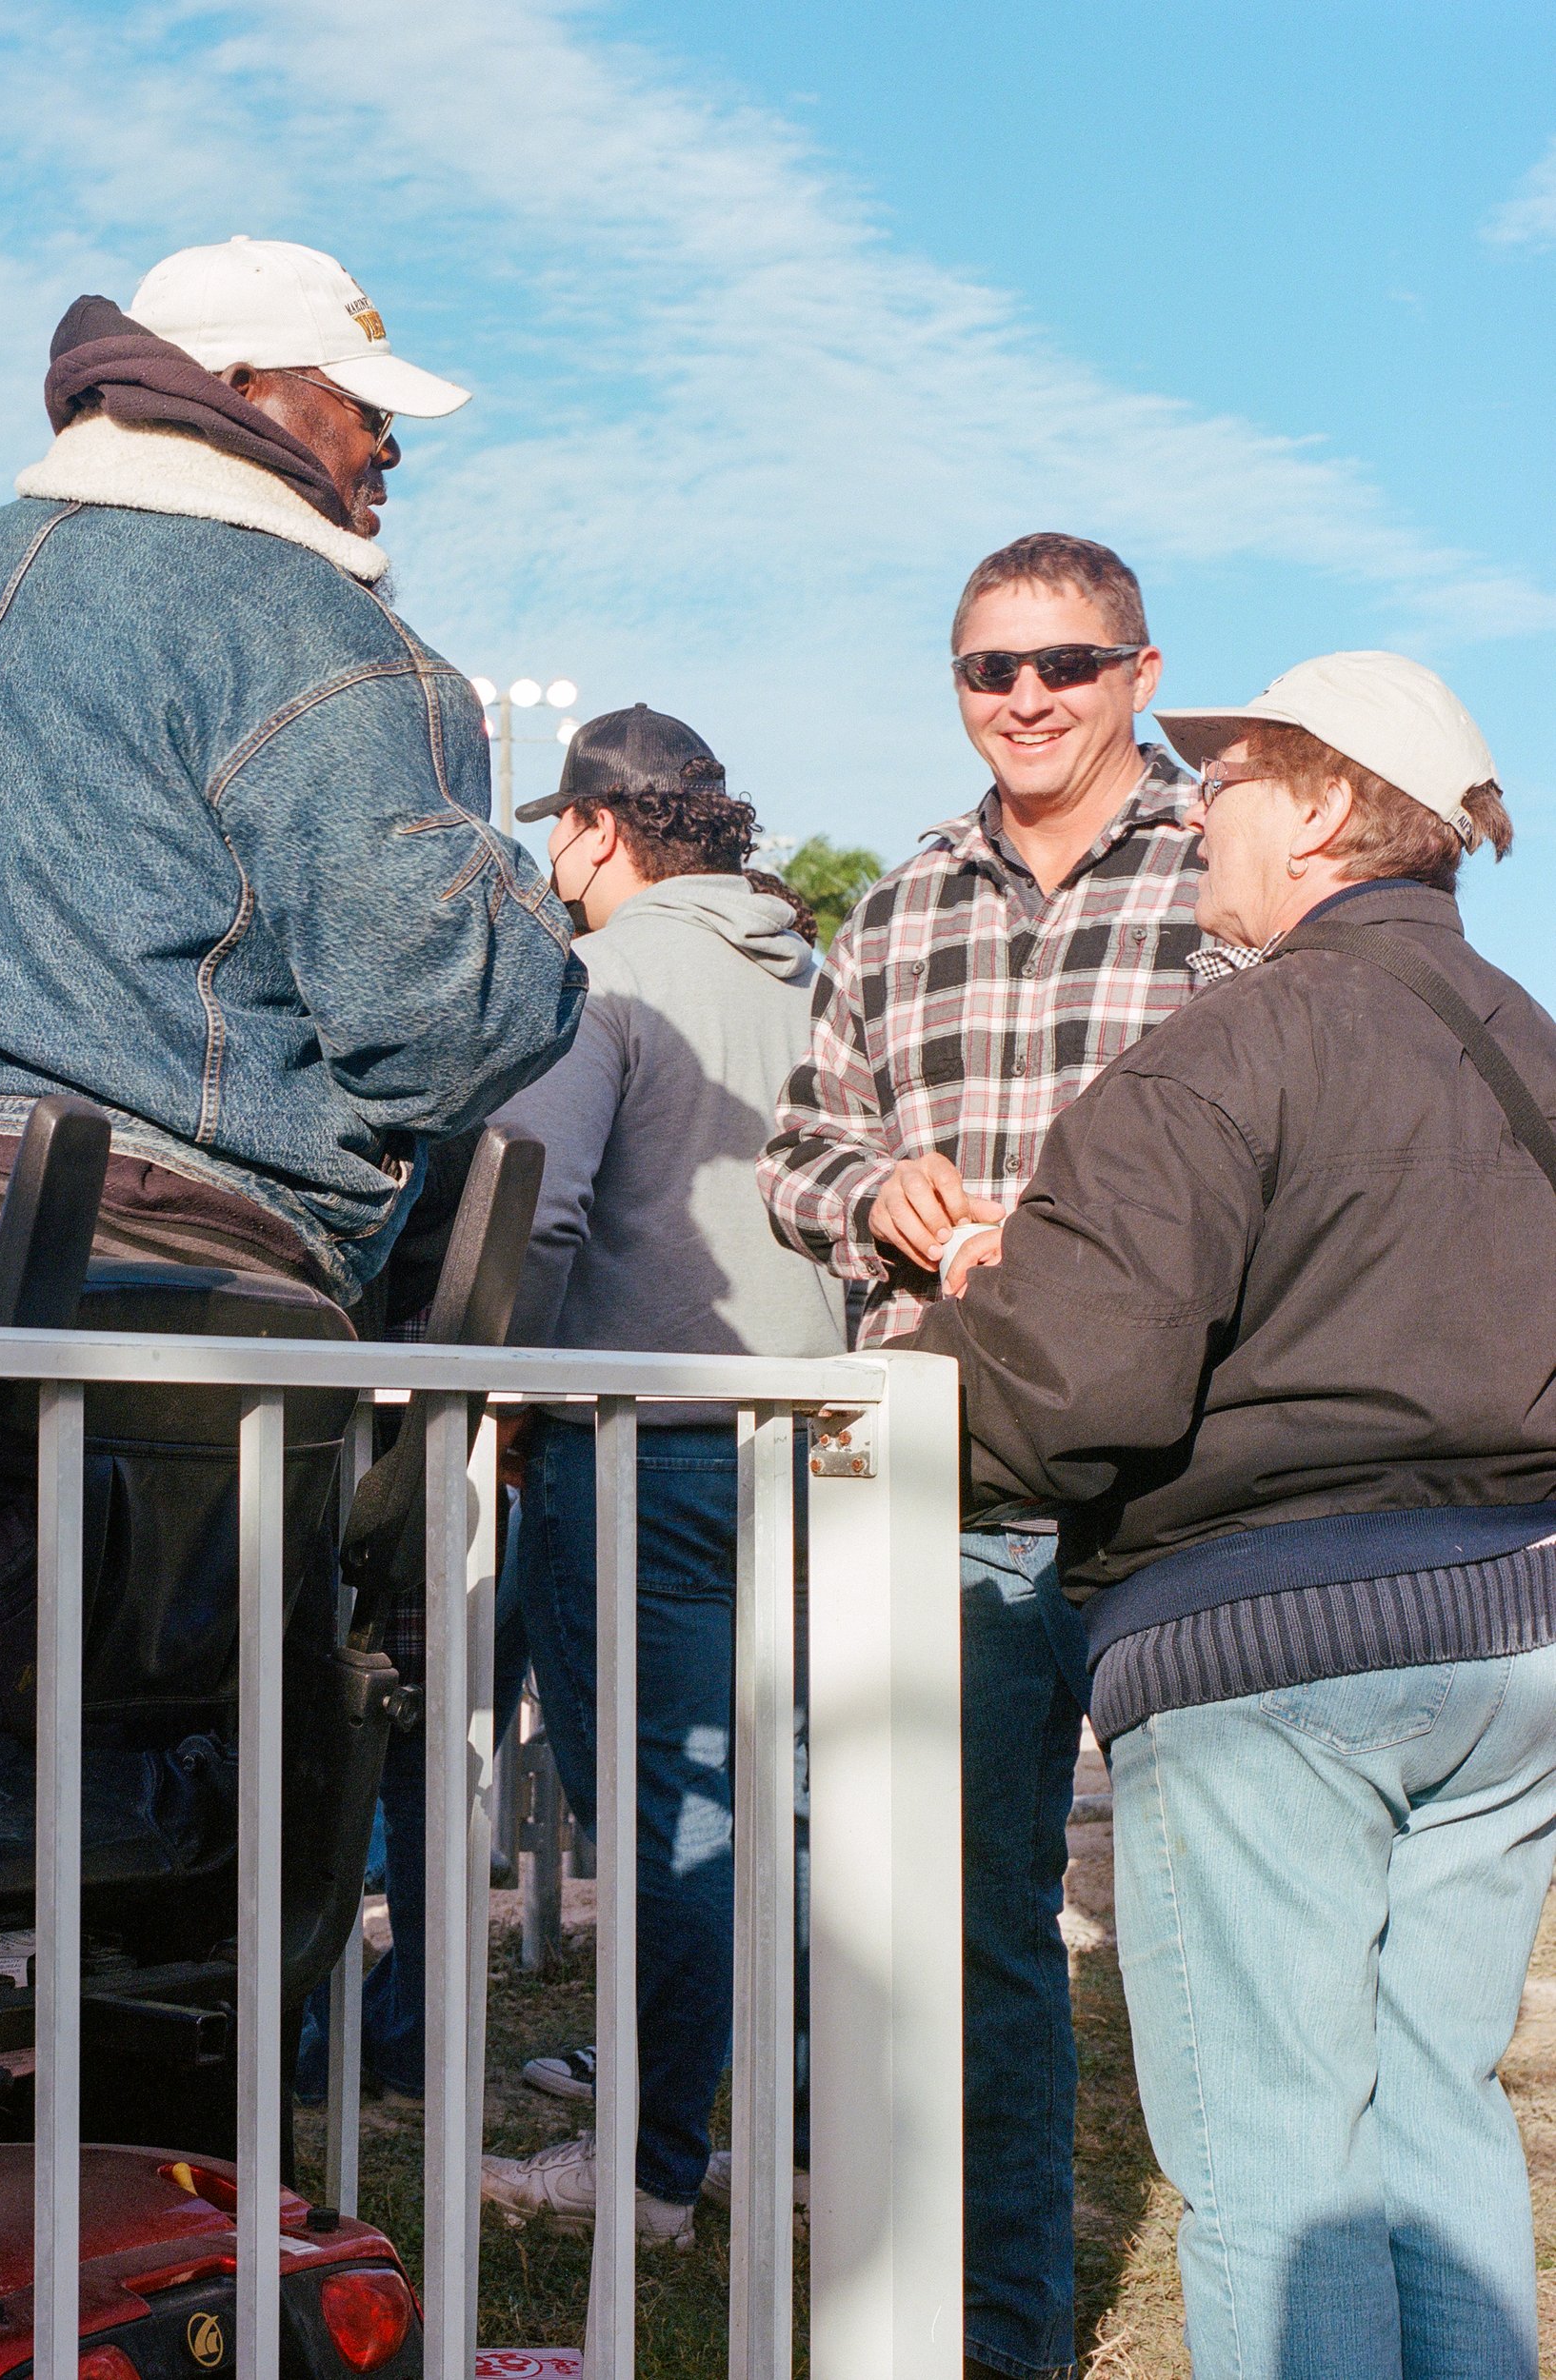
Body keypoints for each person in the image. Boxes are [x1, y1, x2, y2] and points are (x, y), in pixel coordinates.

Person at [910, 652, 1545, 2379]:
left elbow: (1071, 1390)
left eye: (1239, 778)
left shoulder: (1230, 1045)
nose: (1201, 809)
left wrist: (919, 1390)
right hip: (1518, 1640)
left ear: (1330, 808)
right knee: (1435, 2114)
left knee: (1277, 2156)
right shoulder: (1531, 1051)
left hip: (1272, 1655)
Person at [0, 235, 584, 1329]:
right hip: (161, 1255)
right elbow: (440, 1035)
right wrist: (540, 917)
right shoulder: (310, 624)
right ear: (241, 389)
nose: (388, 455)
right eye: (370, 414)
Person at [759, 532, 1207, 2379]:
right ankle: (997, 2327)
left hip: (1186, 1476)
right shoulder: (897, 904)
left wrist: (1099, 1232)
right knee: (974, 1935)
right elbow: (794, 1146)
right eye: (984, 667)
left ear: (1138, 672)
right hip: (951, 1469)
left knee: (1210, 1943)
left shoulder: (1225, 880)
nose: (1020, 695)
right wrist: (879, 1187)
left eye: (1061, 662)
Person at [472, 708, 846, 2250]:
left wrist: (493, 1388)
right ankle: (806, 2133)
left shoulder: (602, 977)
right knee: (793, 1803)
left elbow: (537, 1214)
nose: (548, 859)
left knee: (667, 1820)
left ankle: (649, 2174)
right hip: (810, 1443)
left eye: (554, 829)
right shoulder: (816, 977)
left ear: (603, 829)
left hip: (635, 1438)